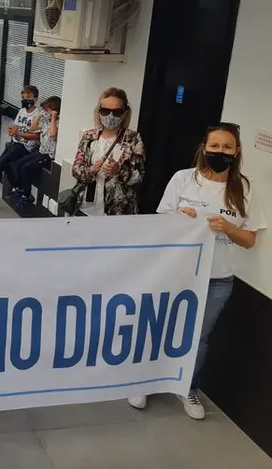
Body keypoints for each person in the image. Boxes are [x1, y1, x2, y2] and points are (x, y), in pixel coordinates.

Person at [128, 123, 266, 419]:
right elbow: (160, 224)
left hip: (217, 279)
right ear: (204, 148)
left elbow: (250, 240)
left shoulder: (245, 188)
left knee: (199, 337)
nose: (220, 152)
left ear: (237, 151)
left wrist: (228, 228)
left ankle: (187, 387)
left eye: (227, 147)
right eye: (214, 146)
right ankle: (146, 380)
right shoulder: (183, 180)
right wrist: (179, 218)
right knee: (161, 327)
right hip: (177, 273)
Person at [70, 87, 145, 216]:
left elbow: (139, 176)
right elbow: (76, 169)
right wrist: (91, 169)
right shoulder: (89, 136)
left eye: (117, 112)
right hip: (85, 207)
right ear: (99, 112)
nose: (110, 116)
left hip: (117, 211)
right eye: (105, 111)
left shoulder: (133, 139)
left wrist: (119, 171)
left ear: (125, 113)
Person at [0, 85, 41, 201]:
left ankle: (17, 186)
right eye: (23, 97)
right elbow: (15, 126)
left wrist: (19, 133)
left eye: (28, 97)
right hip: (15, 141)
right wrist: (12, 131)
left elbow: (36, 136)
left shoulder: (37, 115)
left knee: (3, 161)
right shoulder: (22, 111)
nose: (25, 99)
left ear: (35, 98)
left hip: (26, 146)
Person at [10, 96, 61, 208]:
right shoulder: (45, 120)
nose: (44, 112)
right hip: (40, 150)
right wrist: (39, 115)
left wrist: (53, 117)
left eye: (46, 110)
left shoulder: (58, 123)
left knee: (25, 168)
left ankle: (27, 195)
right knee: (18, 164)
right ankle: (20, 188)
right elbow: (32, 128)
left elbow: (53, 134)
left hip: (48, 155)